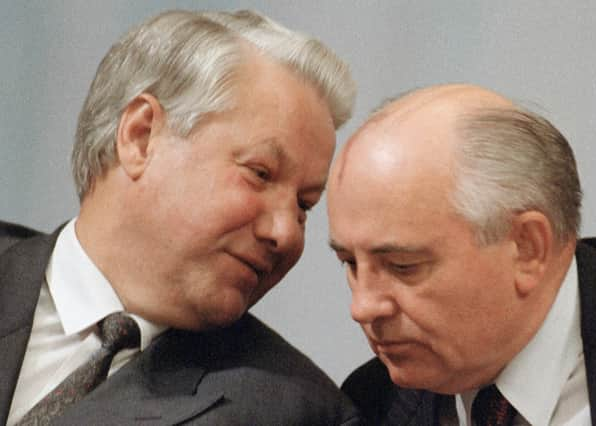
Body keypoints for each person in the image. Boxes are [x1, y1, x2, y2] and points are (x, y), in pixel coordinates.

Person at [1, 9, 361, 425]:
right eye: (260, 174)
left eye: (304, 205)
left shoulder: (295, 412)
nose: (285, 233)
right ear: (141, 137)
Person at [327, 84, 596, 425]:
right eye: (351, 263)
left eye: (403, 266)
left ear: (528, 248)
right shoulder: (372, 403)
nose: (362, 308)